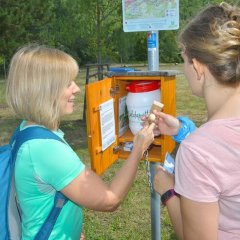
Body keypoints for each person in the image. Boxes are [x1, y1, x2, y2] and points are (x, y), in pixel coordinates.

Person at [6, 44, 155, 239]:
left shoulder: (28, 130)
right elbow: (110, 200)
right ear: (44, 90)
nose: (76, 89)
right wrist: (138, 149)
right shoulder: (46, 149)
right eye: (68, 83)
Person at [152, 2, 240, 240]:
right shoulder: (204, 146)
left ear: (198, 66)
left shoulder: (198, 153)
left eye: (184, 59)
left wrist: (168, 191)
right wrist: (184, 131)